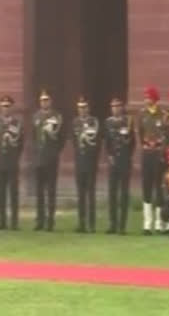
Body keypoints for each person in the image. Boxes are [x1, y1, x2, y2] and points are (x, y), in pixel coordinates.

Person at [32, 89, 63, 232]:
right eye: (42, 100)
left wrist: (55, 152)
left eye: (46, 100)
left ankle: (50, 220)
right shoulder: (36, 116)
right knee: (39, 192)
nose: (44, 102)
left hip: (51, 158)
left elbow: (61, 138)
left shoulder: (56, 116)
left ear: (50, 101)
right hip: (39, 158)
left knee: (51, 191)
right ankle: (40, 220)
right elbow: (33, 137)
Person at [104, 97, 134, 235]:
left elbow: (132, 142)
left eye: (117, 106)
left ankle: (122, 226)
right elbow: (107, 142)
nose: (115, 108)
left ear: (121, 107)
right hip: (113, 161)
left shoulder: (127, 122)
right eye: (113, 106)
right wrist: (109, 156)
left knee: (123, 194)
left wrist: (127, 156)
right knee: (112, 194)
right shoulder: (108, 123)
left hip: (124, 161)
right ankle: (112, 224)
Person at [137, 86, 164, 235]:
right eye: (145, 97)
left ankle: (159, 223)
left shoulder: (162, 115)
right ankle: (147, 223)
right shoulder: (142, 114)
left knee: (159, 188)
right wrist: (146, 145)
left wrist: (159, 145)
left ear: (154, 99)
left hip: (158, 154)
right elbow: (140, 134)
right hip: (147, 154)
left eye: (148, 97)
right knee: (146, 188)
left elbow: (165, 135)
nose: (146, 99)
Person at [71, 96, 100, 233]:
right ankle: (81, 223)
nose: (81, 110)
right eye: (79, 108)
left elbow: (96, 141)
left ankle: (91, 224)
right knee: (81, 194)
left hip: (90, 162)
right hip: (79, 162)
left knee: (90, 194)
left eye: (84, 107)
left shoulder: (93, 122)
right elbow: (74, 141)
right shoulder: (75, 122)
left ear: (88, 108)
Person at [0, 95, 23, 230]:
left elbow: (20, 142)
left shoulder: (17, 123)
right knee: (1, 193)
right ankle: (2, 221)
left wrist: (15, 156)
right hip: (1, 161)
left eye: (7, 106)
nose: (5, 108)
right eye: (3, 106)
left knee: (13, 192)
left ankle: (14, 221)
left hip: (12, 161)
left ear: (11, 107)